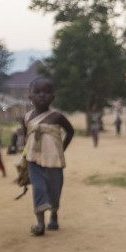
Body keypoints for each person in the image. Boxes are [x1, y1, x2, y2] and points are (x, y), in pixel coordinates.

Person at [22, 77, 74, 236]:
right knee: (38, 188)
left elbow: (70, 132)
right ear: (30, 96)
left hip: (54, 161)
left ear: (53, 97)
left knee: (54, 191)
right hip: (33, 160)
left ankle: (54, 214)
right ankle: (39, 223)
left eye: (47, 92)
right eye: (37, 92)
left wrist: (61, 149)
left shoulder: (57, 117)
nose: (42, 95)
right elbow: (26, 139)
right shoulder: (26, 118)